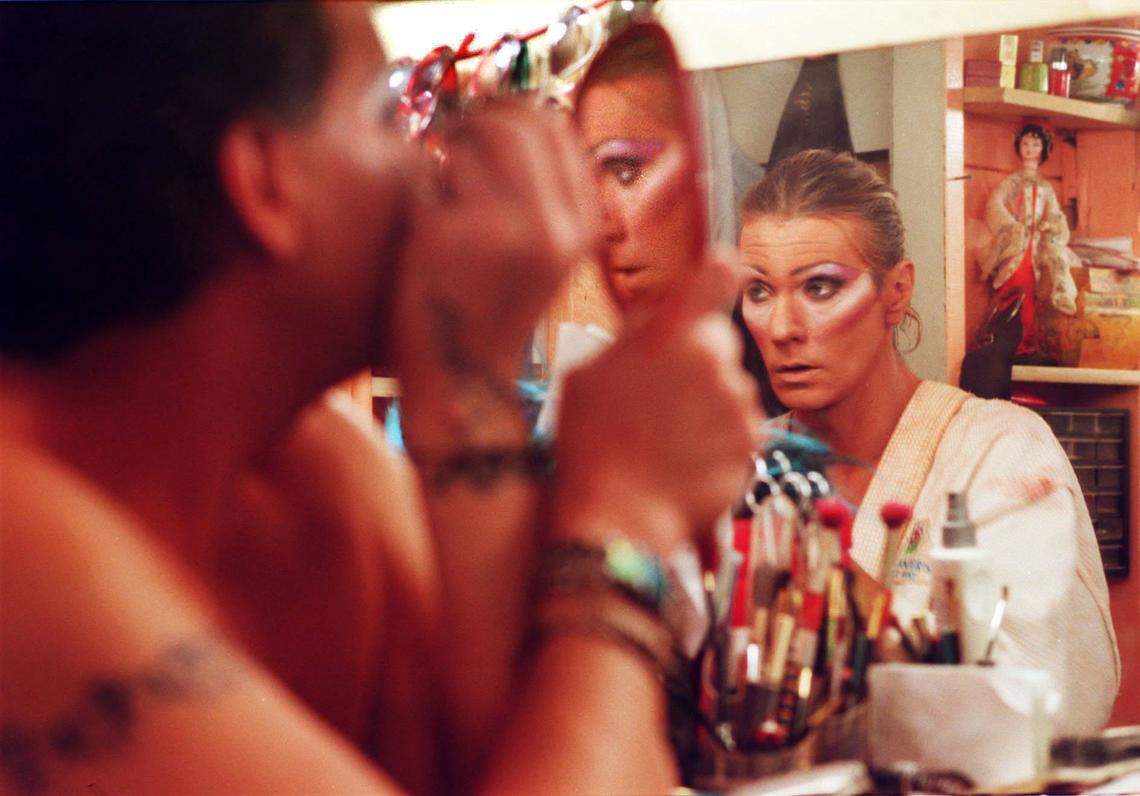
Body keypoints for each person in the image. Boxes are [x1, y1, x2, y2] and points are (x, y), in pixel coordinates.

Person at [0, 4, 761, 794]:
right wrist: (624, 518)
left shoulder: (322, 481)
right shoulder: (16, 534)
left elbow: (524, 761)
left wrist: (469, 396)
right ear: (266, 180)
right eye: (384, 113)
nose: (427, 167)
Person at [737, 149, 1118, 733]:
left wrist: (816, 564)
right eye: (759, 291)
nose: (784, 328)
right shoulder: (740, 468)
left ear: (896, 292)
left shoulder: (999, 451)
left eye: (819, 287)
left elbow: (1046, 703)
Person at [980, 123, 1081, 358]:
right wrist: (1012, 225)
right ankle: (1003, 339)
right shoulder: (1012, 183)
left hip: (1037, 246)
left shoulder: (1045, 187)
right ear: (1018, 147)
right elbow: (994, 205)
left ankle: (1027, 341)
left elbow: (1055, 214)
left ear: (1043, 150)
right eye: (1025, 143)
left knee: (1041, 282)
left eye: (1036, 144)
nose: (1029, 148)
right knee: (1012, 284)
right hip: (1017, 244)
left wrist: (1049, 225)